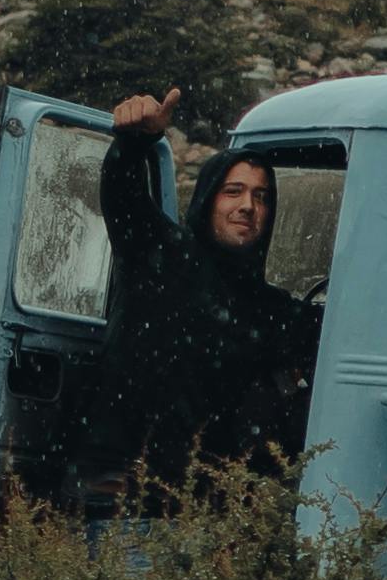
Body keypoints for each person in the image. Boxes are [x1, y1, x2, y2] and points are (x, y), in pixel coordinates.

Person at [91, 87, 320, 492]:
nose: (248, 205)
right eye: (234, 191)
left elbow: (337, 338)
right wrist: (134, 141)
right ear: (208, 198)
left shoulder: (271, 309)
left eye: (261, 196)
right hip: (132, 507)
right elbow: (124, 198)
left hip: (215, 520)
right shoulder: (161, 257)